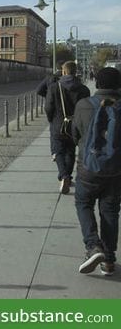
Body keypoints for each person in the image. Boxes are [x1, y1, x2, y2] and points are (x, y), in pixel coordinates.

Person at [72, 67, 121, 275]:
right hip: (116, 170)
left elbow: (75, 134)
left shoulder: (83, 105)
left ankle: (93, 246)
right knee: (110, 211)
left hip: (88, 167)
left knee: (83, 203)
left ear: (97, 84)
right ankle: (109, 261)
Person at [45, 61, 90, 193]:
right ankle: (68, 177)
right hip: (75, 124)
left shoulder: (54, 87)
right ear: (75, 72)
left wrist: (51, 120)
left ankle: (64, 175)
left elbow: (48, 107)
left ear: (63, 72)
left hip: (58, 123)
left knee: (58, 151)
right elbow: (86, 109)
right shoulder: (83, 89)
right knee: (70, 151)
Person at [36, 68, 62, 161]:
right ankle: (63, 152)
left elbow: (39, 90)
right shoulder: (65, 78)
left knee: (53, 131)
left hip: (52, 107)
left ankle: (54, 152)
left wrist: (47, 96)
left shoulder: (49, 78)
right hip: (65, 107)